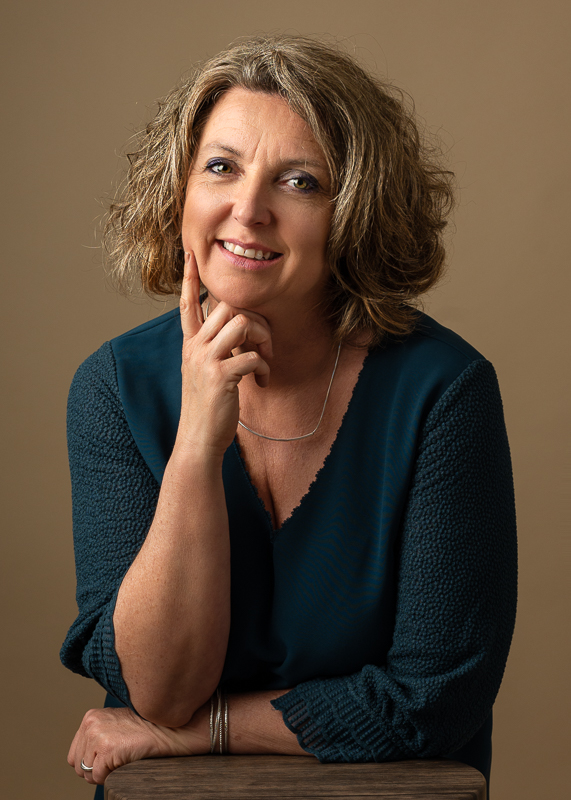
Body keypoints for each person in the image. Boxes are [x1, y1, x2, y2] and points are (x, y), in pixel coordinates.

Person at [60, 34, 517, 796]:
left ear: (355, 212)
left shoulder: (444, 392)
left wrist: (204, 730)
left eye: (299, 182)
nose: (248, 210)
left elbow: (431, 701)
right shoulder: (113, 388)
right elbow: (158, 692)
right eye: (220, 167)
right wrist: (196, 445)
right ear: (179, 188)